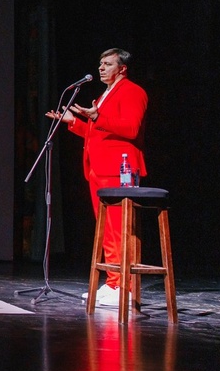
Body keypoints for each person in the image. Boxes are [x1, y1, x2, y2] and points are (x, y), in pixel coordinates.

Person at [45, 48, 148, 308]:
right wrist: (74, 122)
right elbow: (99, 134)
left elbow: (131, 128)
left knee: (119, 229)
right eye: (100, 63)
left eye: (107, 64)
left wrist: (97, 117)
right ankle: (113, 282)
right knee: (107, 231)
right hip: (99, 169)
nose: (101, 68)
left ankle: (125, 287)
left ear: (122, 68)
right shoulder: (104, 95)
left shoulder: (132, 91)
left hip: (119, 169)